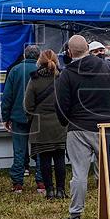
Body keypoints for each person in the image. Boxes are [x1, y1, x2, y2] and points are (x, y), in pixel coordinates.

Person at [55, 35, 110, 219]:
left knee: (79, 174)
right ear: (88, 48)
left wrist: (67, 122)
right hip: (105, 126)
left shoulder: (67, 74)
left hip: (78, 128)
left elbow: (61, 104)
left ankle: (75, 215)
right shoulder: (108, 67)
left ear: (69, 53)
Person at [25, 49, 67, 200]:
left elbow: (27, 105)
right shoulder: (62, 78)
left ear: (39, 61)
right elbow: (68, 101)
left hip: (40, 125)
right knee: (60, 158)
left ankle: (49, 191)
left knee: (44, 159)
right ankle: (61, 190)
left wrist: (32, 118)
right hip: (60, 124)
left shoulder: (35, 79)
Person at [2, 45, 41, 194]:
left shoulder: (15, 70)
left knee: (19, 150)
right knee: (39, 149)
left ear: (24, 55)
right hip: (38, 117)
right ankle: (41, 182)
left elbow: (7, 97)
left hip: (18, 116)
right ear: (38, 56)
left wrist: (6, 117)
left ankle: (18, 183)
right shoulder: (42, 70)